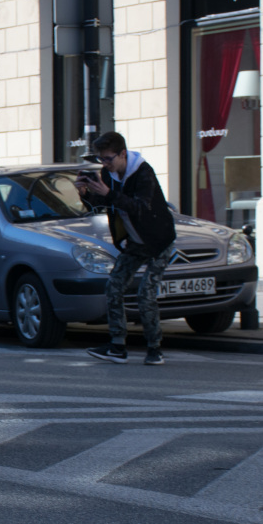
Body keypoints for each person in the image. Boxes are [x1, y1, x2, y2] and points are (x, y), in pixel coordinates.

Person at [74, 131, 177, 366]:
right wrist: (84, 193)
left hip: (159, 241)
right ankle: (117, 346)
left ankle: (154, 349)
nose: (105, 164)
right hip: (135, 242)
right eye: (101, 159)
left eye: (109, 159)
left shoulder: (143, 172)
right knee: (114, 287)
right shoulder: (107, 174)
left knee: (145, 294)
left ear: (122, 154)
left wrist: (109, 194)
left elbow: (140, 207)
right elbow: (99, 204)